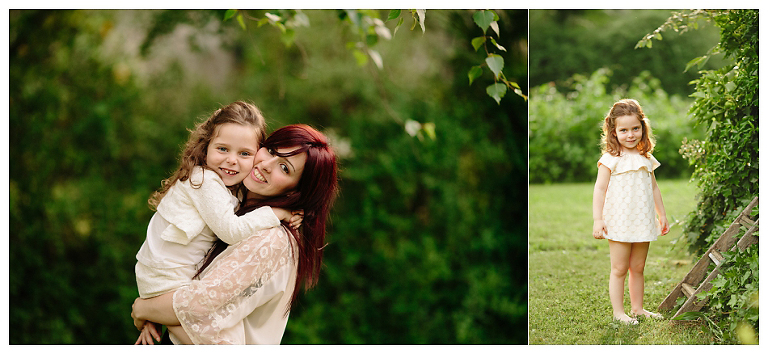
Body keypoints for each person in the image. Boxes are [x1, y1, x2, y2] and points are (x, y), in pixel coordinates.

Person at [131, 124, 339, 344]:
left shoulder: (271, 240)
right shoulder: (234, 210)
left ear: (296, 191)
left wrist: (143, 308)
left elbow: (197, 308)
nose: (266, 165)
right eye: (270, 150)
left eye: (284, 168)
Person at [592, 99, 669, 325]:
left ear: (643, 128)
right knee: (619, 268)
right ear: (613, 132)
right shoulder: (610, 160)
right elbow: (600, 189)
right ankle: (619, 312)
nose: (630, 134)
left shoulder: (645, 157)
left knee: (638, 267)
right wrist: (598, 219)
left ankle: (638, 309)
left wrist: (661, 214)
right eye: (623, 130)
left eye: (635, 128)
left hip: (642, 220)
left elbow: (654, 187)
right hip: (619, 221)